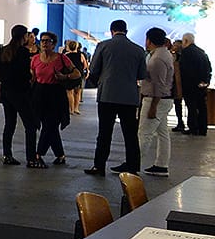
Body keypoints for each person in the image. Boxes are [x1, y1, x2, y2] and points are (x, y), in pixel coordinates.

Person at [84, 20, 148, 176]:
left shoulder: (103, 46)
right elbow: (141, 75)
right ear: (125, 30)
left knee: (104, 133)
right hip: (129, 97)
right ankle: (132, 167)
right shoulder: (139, 50)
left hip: (107, 95)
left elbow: (93, 69)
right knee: (130, 134)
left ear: (112, 30)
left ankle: (99, 166)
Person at [31, 32, 76, 167]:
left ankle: (38, 154)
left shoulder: (61, 58)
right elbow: (33, 77)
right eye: (43, 41)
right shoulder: (35, 59)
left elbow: (76, 73)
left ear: (54, 44)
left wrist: (65, 77)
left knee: (50, 125)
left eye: (48, 41)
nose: (44, 43)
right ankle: (60, 155)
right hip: (39, 94)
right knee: (49, 127)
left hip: (56, 94)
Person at [0, 24, 37, 167]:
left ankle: (7, 155)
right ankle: (31, 158)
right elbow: (24, 73)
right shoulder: (23, 52)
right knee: (30, 125)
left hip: (6, 93)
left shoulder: (4, 51)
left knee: (9, 124)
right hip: (19, 93)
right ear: (23, 36)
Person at [139, 27, 175, 176]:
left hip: (155, 100)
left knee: (144, 133)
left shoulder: (157, 58)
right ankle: (161, 164)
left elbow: (159, 85)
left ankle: (133, 163)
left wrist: (153, 106)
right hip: (164, 99)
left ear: (149, 40)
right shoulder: (164, 54)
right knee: (162, 133)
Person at [177, 32, 211, 136]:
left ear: (186, 41)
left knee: (191, 107)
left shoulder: (186, 53)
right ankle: (202, 128)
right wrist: (205, 81)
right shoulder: (201, 52)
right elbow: (208, 68)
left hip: (190, 85)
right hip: (202, 85)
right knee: (202, 107)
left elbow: (185, 70)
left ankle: (193, 128)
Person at [62, 40, 87, 115]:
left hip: (69, 75)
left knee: (69, 92)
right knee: (77, 92)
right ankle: (76, 108)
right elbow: (85, 66)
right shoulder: (81, 55)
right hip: (78, 75)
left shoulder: (66, 55)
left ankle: (71, 109)